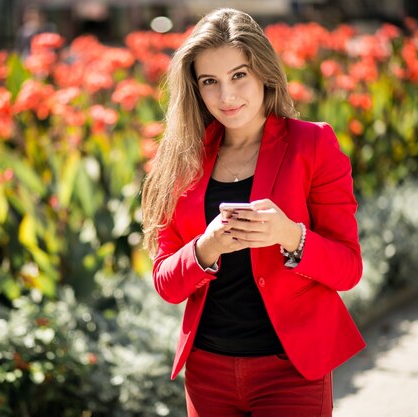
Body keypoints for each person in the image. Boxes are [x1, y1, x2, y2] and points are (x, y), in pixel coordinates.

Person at [141, 8, 365, 417]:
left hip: (290, 371)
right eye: (210, 82)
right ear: (195, 88)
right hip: (207, 374)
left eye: (238, 75)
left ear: (264, 72)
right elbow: (167, 284)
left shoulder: (313, 144)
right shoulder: (182, 161)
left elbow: (348, 269)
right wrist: (204, 248)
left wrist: (291, 236)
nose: (226, 97)